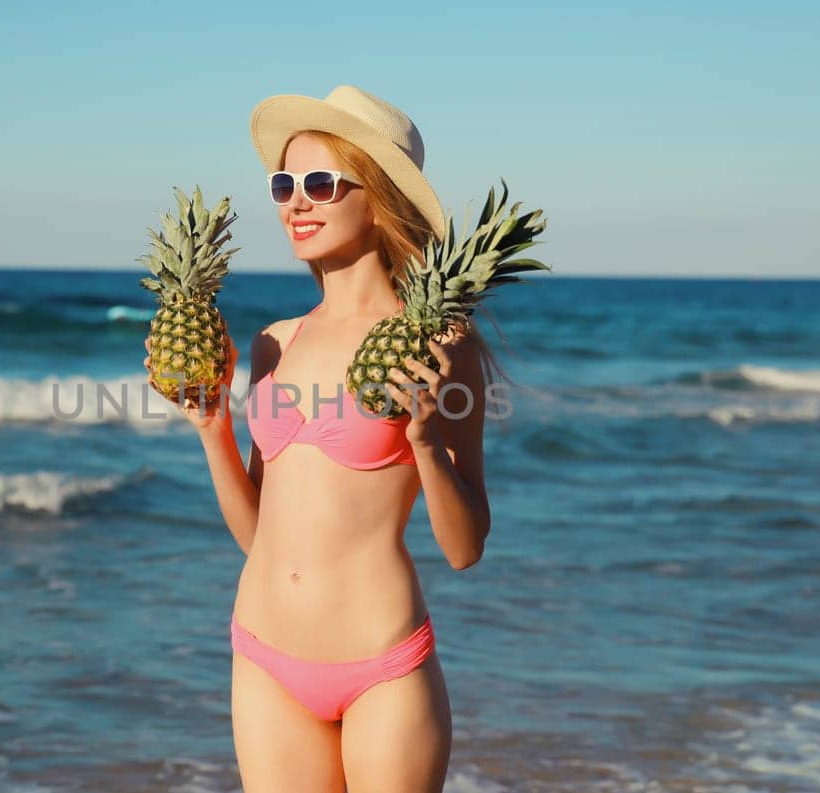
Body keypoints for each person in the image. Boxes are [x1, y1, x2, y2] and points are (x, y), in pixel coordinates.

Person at [145, 85, 493, 793]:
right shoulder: (275, 342)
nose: (295, 202)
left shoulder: (440, 345)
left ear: (381, 197)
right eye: (284, 183)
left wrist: (425, 442)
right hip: (264, 654)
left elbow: (464, 548)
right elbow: (262, 538)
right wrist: (213, 429)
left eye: (322, 182)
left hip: (382, 666)